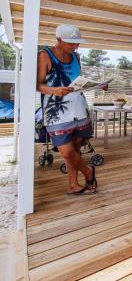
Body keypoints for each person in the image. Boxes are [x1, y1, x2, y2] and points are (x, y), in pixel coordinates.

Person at [37, 24, 104, 195]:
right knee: (67, 153)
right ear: (58, 39)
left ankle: (73, 184)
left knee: (75, 150)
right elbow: (36, 84)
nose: (75, 47)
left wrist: (96, 86)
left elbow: (77, 83)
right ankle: (88, 172)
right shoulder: (44, 56)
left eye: (77, 43)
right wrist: (54, 90)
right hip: (56, 113)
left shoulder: (77, 57)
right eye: (71, 43)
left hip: (79, 109)